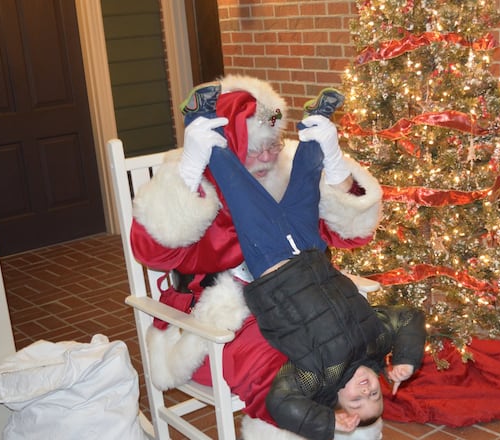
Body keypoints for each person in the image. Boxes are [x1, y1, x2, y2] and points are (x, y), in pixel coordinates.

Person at [130, 75, 423, 439]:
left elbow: (351, 231)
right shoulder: (188, 176)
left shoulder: (282, 166)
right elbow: (152, 251)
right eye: (257, 148)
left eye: (273, 143)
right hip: (223, 317)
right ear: (233, 141)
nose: (269, 156)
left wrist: (332, 161)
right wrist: (191, 167)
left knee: (333, 369)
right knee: (281, 376)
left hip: (302, 295)